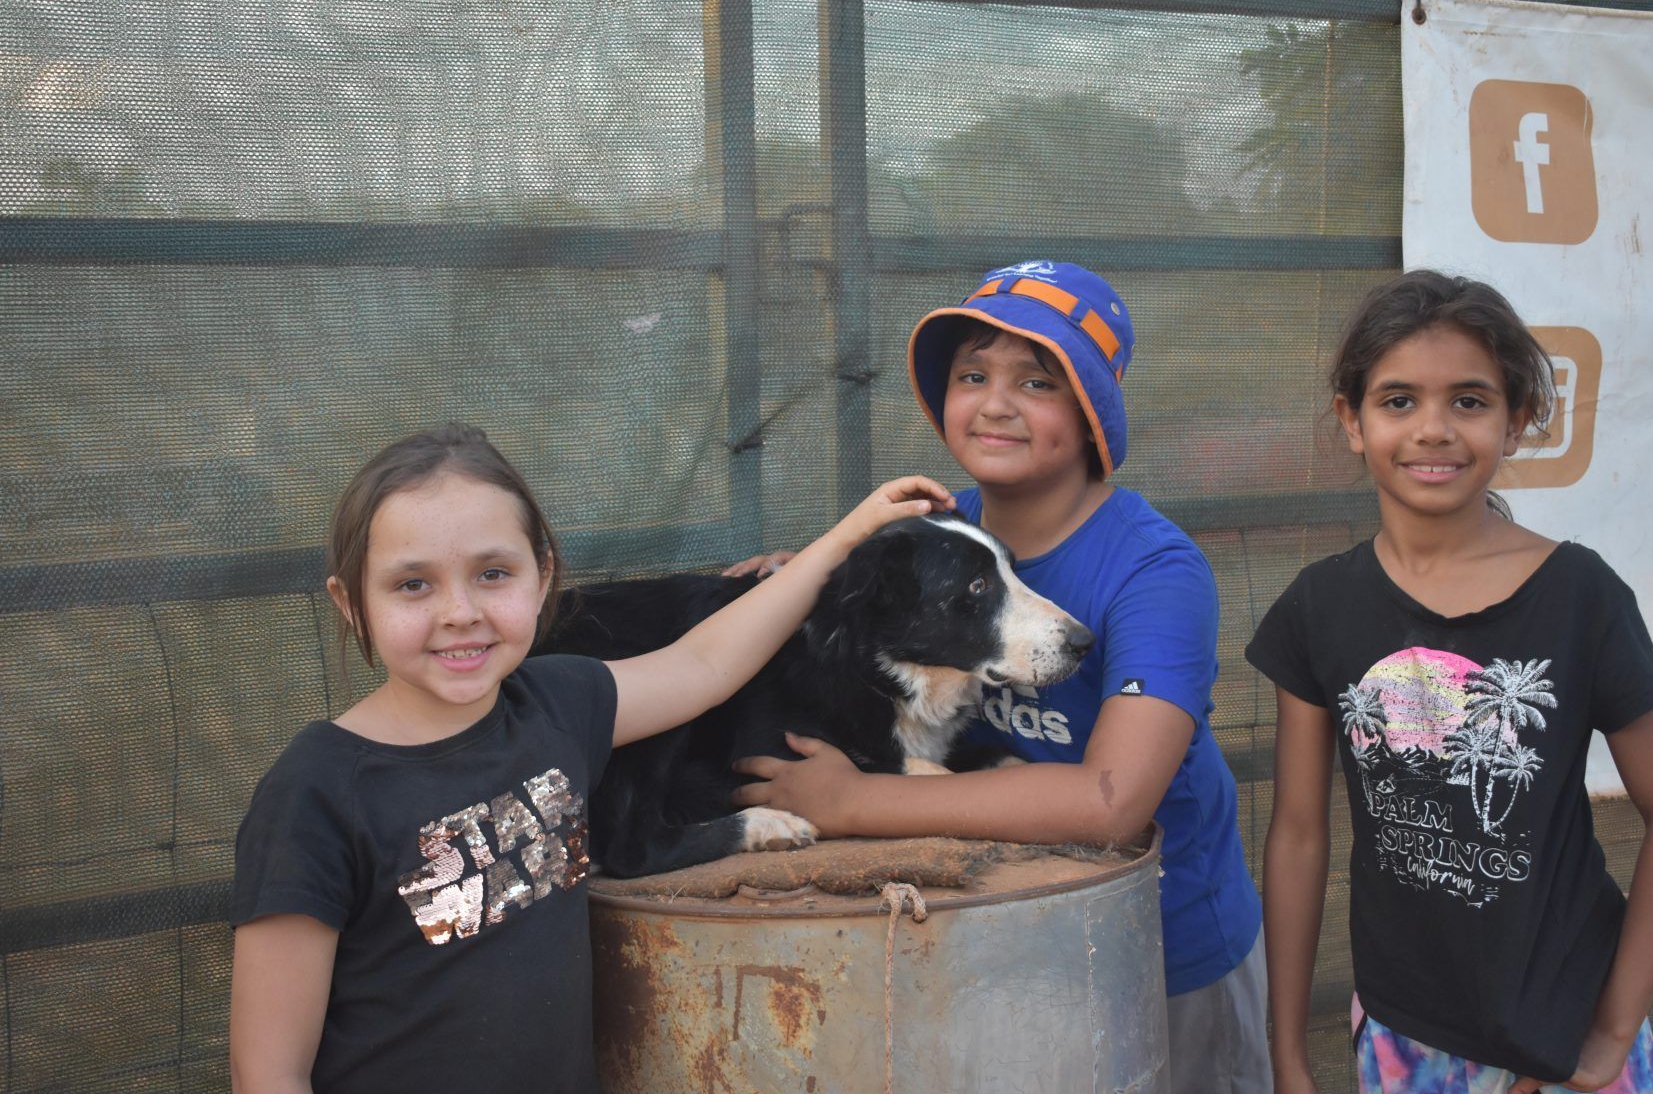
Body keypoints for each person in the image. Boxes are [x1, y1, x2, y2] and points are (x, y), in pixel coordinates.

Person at [226, 422, 952, 1094]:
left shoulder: (557, 706)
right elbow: (268, 1074)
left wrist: (848, 535)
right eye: (413, 584)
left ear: (543, 577)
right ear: (351, 603)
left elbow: (704, 664)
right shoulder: (316, 793)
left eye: (492, 573)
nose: (460, 612)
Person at [729, 260, 1270, 1092]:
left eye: (1038, 382)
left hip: (1164, 950)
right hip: (1001, 936)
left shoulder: (1154, 571)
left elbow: (1111, 803)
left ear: (1092, 413)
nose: (995, 402)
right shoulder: (941, 538)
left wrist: (853, 803)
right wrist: (796, 585)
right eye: (972, 375)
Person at [1247, 270, 1653, 1093]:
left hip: (1566, 1030)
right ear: (1352, 420)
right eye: (1399, 400)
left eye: (1471, 402)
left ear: (1517, 423)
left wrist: (1614, 1027)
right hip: (1406, 1040)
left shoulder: (1581, 596)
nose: (1433, 429)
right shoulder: (1319, 607)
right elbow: (1300, 836)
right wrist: (1289, 1055)